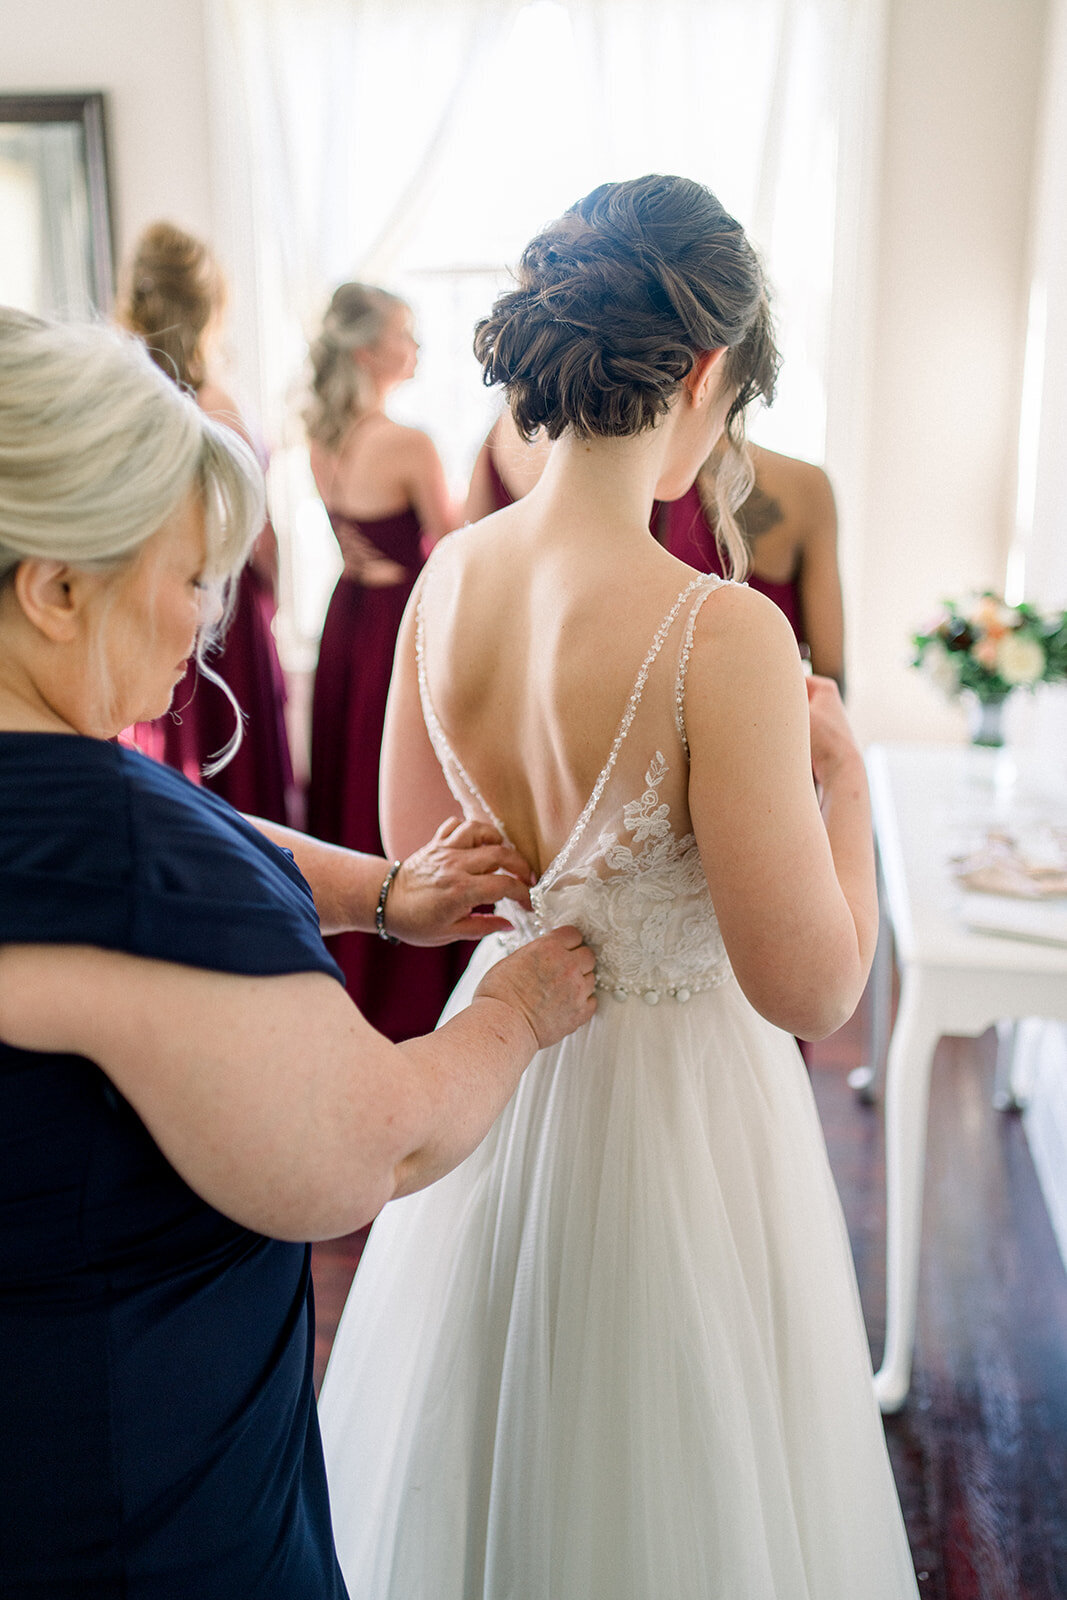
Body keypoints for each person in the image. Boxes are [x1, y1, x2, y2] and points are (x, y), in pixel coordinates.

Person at [318, 175, 919, 1598]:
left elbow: (430, 868)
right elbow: (811, 987)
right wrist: (837, 784)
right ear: (706, 372)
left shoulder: (448, 577)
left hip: (501, 1066)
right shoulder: (721, 631)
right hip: (681, 1117)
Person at [0, 307, 597, 1599]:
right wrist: (517, 1012)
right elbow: (359, 1149)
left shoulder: (80, 813)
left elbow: (215, 836)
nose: (201, 625)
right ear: (52, 588)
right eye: (181, 577)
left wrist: (386, 895)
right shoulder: (112, 850)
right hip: (122, 1501)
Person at [305, 282, 464, 1039]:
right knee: (402, 793)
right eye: (408, 332)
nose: (418, 347)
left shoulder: (321, 435)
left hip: (346, 620)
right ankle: (408, 983)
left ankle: (353, 964)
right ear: (370, 350)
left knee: (351, 789)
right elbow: (455, 545)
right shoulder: (409, 443)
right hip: (395, 626)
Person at [117, 219, 296, 823]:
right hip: (225, 610)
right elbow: (258, 534)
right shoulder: (217, 403)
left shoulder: (125, 396)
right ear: (211, 306)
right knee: (234, 787)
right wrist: (275, 597)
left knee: (174, 772)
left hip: (149, 599)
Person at [467, 406, 845, 688]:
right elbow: (830, 682)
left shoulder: (505, 438)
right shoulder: (802, 488)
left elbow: (471, 609)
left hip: (525, 754)